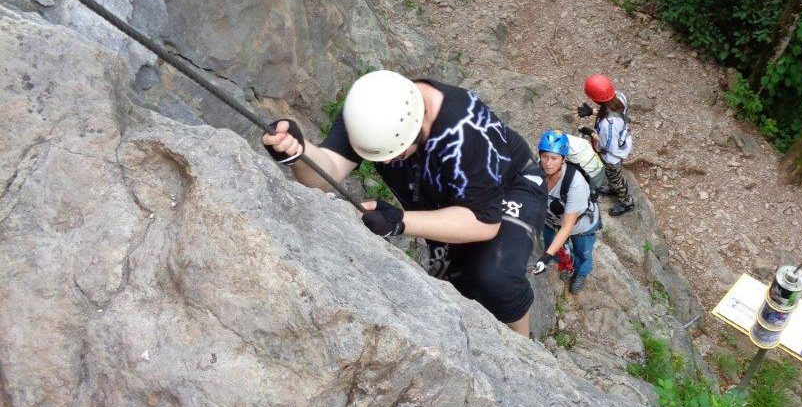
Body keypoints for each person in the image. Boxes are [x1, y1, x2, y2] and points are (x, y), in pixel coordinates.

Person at [262, 70, 545, 338]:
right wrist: (299, 153)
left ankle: (523, 342)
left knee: (494, 275)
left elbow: (484, 222)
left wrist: (400, 221)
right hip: (444, 194)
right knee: (457, 283)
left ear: (418, 128)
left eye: (395, 153)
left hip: (510, 186)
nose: (386, 163)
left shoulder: (465, 130)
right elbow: (328, 173)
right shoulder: (370, 111)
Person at [531, 130, 601, 294]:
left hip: (580, 226)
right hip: (551, 220)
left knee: (582, 252)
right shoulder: (538, 169)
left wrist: (545, 258)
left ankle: (581, 272)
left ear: (563, 159)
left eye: (554, 158)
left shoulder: (575, 184)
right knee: (552, 246)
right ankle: (565, 264)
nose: (548, 163)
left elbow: (567, 226)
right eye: (544, 156)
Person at [577, 74, 635, 216]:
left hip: (612, 155)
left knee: (616, 177)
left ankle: (627, 202)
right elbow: (615, 112)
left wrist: (590, 133)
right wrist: (592, 111)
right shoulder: (619, 97)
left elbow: (607, 146)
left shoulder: (607, 125)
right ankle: (614, 188)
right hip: (622, 141)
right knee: (611, 175)